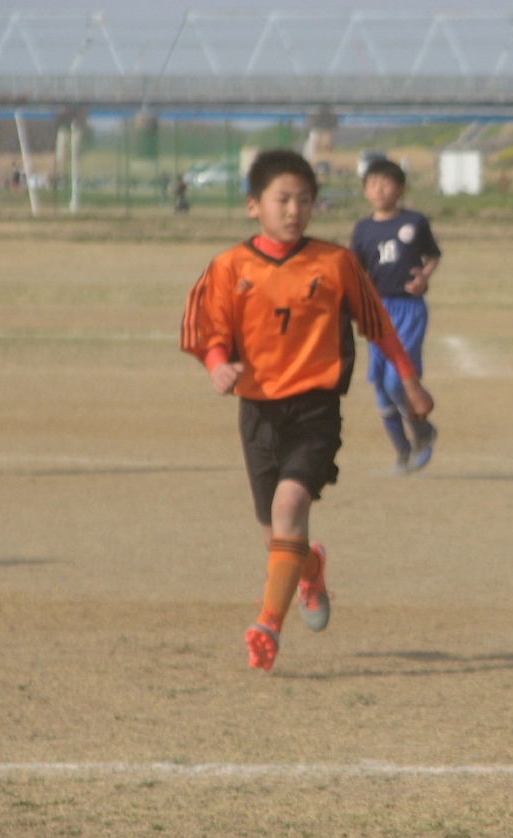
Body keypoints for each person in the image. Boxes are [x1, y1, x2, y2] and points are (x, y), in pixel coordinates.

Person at [180, 149, 433, 672]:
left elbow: (378, 325)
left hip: (316, 410)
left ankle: (267, 625)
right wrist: (217, 365)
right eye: (283, 200)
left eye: (304, 200)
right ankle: (311, 567)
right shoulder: (229, 267)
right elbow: (207, 328)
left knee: (290, 506)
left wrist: (410, 382)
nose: (294, 210)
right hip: (258, 413)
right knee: (275, 534)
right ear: (254, 205)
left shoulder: (335, 263)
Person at [350, 158, 441, 473]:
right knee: (380, 384)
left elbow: (433, 255)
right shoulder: (363, 229)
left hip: (408, 309)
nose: (379, 189)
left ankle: (422, 431)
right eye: (372, 184)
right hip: (377, 311)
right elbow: (356, 270)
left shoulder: (414, 221)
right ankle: (402, 450)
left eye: (386, 183)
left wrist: (423, 277)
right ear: (365, 190)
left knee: (396, 380)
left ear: (400, 189)